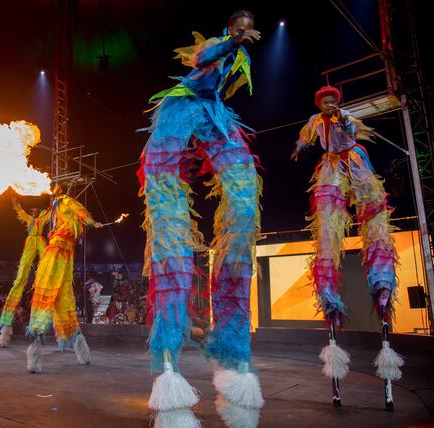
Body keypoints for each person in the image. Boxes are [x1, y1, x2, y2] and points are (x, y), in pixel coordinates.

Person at [138, 10, 264, 427]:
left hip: (216, 120)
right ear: (232, 26)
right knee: (172, 238)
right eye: (240, 24)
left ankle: (231, 357)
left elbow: (224, 77)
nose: (245, 29)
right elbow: (204, 56)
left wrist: (239, 48)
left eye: (248, 24)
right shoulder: (220, 43)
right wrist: (233, 41)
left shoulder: (239, 61)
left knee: (245, 206)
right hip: (179, 116)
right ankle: (170, 379)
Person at [293, 85, 402, 390]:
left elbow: (351, 129)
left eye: (332, 102)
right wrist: (300, 147)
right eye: (325, 102)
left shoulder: (346, 116)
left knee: (373, 206)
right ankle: (328, 293)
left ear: (337, 103)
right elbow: (306, 136)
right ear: (319, 103)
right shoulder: (315, 120)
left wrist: (341, 120)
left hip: (353, 160)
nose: (328, 105)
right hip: (330, 165)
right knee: (326, 221)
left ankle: (381, 282)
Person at [25, 183, 102, 373]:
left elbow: (82, 213)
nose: (52, 187)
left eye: (56, 185)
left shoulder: (67, 201)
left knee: (60, 297)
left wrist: (93, 222)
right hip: (59, 251)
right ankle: (77, 354)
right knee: (61, 300)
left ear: (62, 189)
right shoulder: (54, 207)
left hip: (60, 252)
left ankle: (79, 353)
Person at [0, 201, 51, 347]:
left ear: (39, 212)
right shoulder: (30, 220)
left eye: (35, 211)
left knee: (45, 268)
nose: (33, 213)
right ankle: (5, 328)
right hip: (30, 243)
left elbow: (50, 212)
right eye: (32, 211)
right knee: (21, 276)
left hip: (40, 241)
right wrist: (17, 207)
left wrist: (55, 202)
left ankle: (39, 326)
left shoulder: (42, 219)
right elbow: (22, 214)